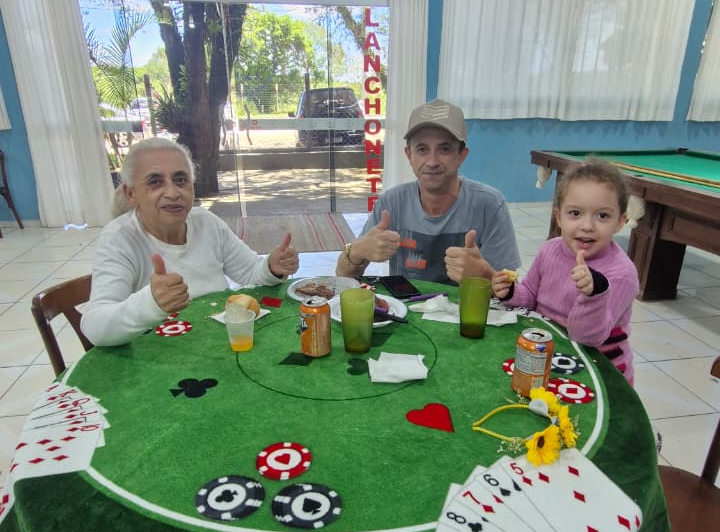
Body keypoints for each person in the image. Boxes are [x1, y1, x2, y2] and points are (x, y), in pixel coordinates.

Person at [81, 137, 298, 347]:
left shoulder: (206, 222)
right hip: (157, 358)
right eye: (155, 182)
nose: (173, 192)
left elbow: (250, 271)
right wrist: (151, 303)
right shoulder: (119, 238)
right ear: (131, 193)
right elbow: (95, 326)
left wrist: (271, 267)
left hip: (219, 346)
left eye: (180, 180)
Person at [336, 99, 520, 284]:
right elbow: (342, 274)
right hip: (406, 303)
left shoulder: (490, 205)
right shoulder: (392, 203)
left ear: (461, 155)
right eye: (422, 149)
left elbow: (512, 291)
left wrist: (484, 275)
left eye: (444, 149)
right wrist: (358, 250)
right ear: (409, 155)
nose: (432, 162)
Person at [492, 159, 639, 382]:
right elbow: (530, 295)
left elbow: (588, 338)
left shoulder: (622, 274)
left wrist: (593, 294)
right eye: (575, 213)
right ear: (558, 216)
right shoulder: (549, 250)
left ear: (620, 222)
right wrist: (510, 291)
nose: (587, 226)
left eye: (602, 216)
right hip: (547, 355)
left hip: (600, 371)